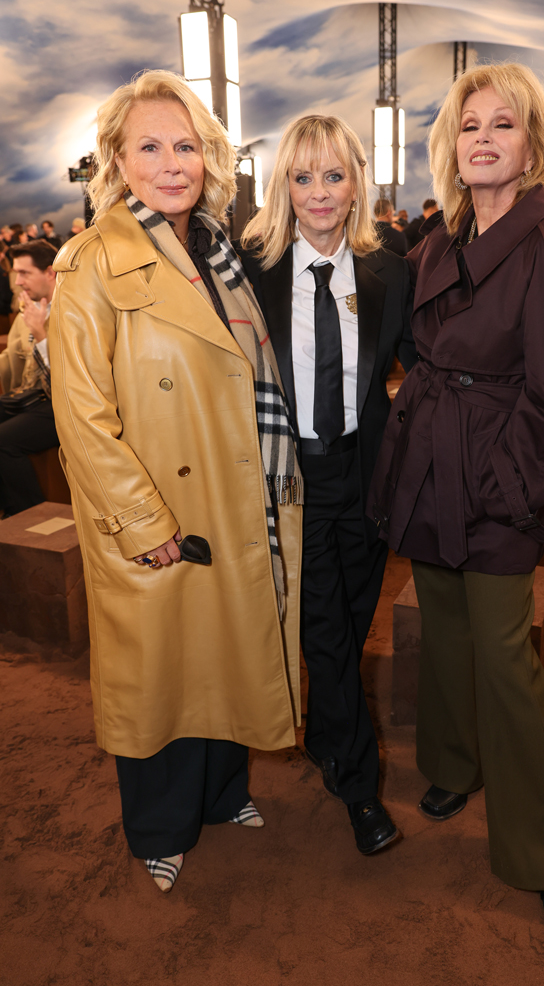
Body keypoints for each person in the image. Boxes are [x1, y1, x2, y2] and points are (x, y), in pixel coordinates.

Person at [49, 69, 303, 893]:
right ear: (117, 162)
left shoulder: (222, 252)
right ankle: (159, 826)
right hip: (160, 510)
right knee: (162, 674)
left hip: (234, 496)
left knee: (225, 653)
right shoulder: (92, 261)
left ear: (210, 156)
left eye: (185, 145)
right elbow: (82, 417)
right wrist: (141, 521)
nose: (170, 162)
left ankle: (224, 793)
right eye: (149, 146)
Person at [368, 62, 544, 952]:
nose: (482, 139)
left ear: (530, 142)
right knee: (446, 626)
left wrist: (506, 492)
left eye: (501, 125)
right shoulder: (440, 237)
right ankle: (452, 765)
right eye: (469, 126)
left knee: (506, 660)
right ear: (450, 144)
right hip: (433, 456)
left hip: (496, 473)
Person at [239, 113, 416, 856]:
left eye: (333, 175)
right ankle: (358, 790)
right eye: (303, 176)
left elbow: (409, 368)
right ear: (285, 184)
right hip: (291, 478)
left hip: (363, 472)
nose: (318, 192)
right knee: (327, 633)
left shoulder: (389, 270)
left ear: (355, 186)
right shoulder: (251, 267)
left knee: (352, 615)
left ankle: (325, 734)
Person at [0, 240, 59, 516]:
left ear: (50, 272)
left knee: (3, 440)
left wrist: (42, 334)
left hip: (66, 404)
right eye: (15, 273)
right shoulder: (31, 308)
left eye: (24, 273)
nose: (17, 281)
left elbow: (71, 381)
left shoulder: (73, 307)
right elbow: (10, 359)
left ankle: (28, 519)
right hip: (34, 397)